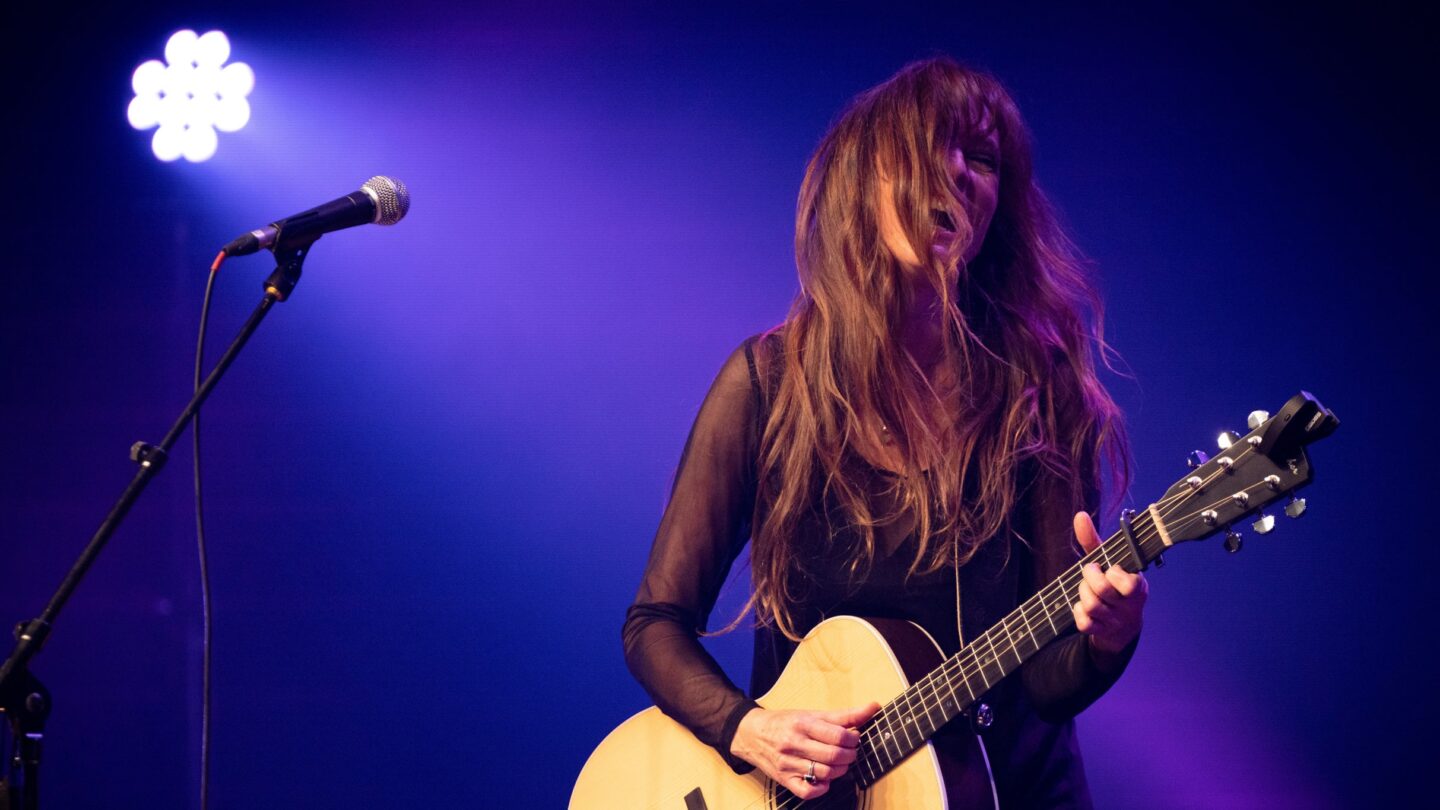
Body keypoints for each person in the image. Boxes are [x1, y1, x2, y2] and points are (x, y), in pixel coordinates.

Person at [622, 56, 1146, 808]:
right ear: (866, 179)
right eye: (930, 147)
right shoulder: (770, 383)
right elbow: (655, 624)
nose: (959, 173)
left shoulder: (1039, 392)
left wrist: (1108, 638)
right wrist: (749, 728)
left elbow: (1048, 681)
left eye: (983, 159)